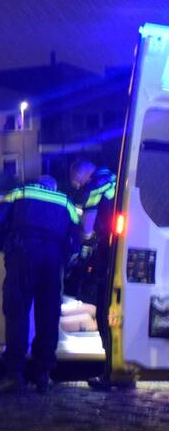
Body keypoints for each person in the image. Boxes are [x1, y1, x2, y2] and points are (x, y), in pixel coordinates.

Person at [0, 177, 80, 394]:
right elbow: (76, 240)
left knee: (17, 314)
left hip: (23, 255)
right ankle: (43, 376)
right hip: (53, 260)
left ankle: (14, 375)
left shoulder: (19, 192)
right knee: (49, 317)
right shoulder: (66, 202)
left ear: (37, 184)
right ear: (54, 187)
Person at [67, 159, 121, 389]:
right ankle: (120, 369)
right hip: (121, 249)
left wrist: (85, 243)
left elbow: (89, 221)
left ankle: (109, 372)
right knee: (118, 309)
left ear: (82, 174)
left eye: (77, 183)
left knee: (103, 312)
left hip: (108, 251)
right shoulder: (114, 178)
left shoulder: (96, 184)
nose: (78, 188)